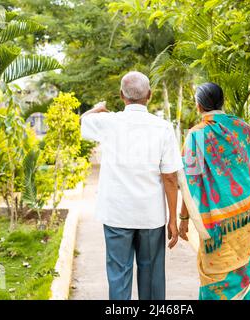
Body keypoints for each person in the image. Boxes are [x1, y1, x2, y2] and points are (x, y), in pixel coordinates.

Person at [80, 71, 184, 300]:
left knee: (119, 275)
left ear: (121, 95)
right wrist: (173, 220)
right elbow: (170, 177)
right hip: (151, 216)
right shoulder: (163, 128)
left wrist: (97, 108)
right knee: (152, 277)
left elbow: (83, 121)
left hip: (117, 214)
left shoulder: (108, 122)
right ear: (149, 95)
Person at [177, 82, 250, 300]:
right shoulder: (243, 127)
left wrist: (183, 218)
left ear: (199, 105)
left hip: (216, 222)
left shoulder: (196, 136)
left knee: (217, 271)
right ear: (222, 102)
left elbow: (189, 184)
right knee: (243, 265)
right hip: (245, 215)